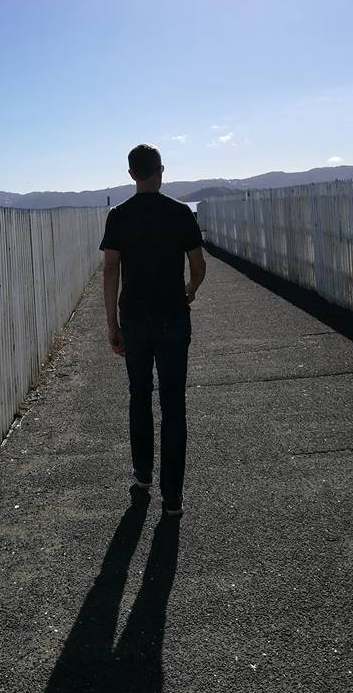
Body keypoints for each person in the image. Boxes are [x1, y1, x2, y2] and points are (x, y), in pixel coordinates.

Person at [99, 143, 206, 518]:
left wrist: (112, 323)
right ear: (161, 170)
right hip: (173, 316)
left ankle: (143, 475)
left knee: (140, 395)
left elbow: (110, 269)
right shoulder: (179, 213)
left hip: (134, 319)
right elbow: (198, 263)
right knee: (174, 405)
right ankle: (172, 497)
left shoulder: (119, 216)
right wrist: (190, 290)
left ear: (131, 175)